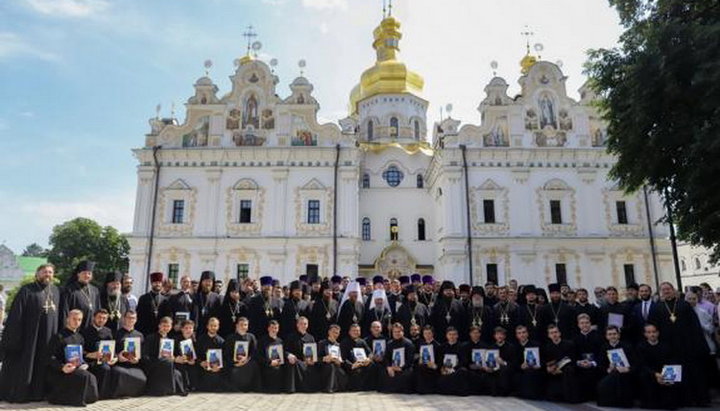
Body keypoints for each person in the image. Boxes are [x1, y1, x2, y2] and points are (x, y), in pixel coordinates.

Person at [0, 263, 60, 403]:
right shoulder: (27, 290)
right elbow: (16, 315)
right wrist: (15, 338)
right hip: (30, 338)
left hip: (48, 337)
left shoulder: (56, 291)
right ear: (37, 274)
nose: (47, 274)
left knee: (43, 364)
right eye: (44, 272)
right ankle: (24, 393)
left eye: (50, 272)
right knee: (28, 365)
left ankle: (40, 393)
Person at [648, 281, 710, 407]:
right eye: (663, 289)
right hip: (668, 346)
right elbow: (652, 326)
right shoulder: (656, 307)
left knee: (692, 372)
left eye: (668, 289)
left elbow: (695, 326)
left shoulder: (684, 305)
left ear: (673, 290)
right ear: (661, 292)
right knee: (674, 372)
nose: (666, 291)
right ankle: (680, 400)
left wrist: (698, 343)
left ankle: (698, 399)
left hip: (687, 345)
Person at [46, 309, 99, 406]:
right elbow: (50, 357)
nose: (77, 322)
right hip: (61, 372)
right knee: (84, 376)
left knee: (92, 378)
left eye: (79, 320)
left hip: (76, 369)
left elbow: (82, 355)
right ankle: (65, 399)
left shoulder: (80, 337)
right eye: (74, 319)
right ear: (67, 319)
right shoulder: (58, 337)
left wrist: (84, 364)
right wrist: (62, 367)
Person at [636, 323, 682, 410]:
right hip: (650, 374)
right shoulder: (641, 346)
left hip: (664, 374)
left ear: (658, 333)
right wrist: (655, 374)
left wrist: (665, 374)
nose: (652, 334)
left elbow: (671, 361)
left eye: (654, 332)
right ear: (645, 334)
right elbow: (642, 365)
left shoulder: (666, 345)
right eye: (649, 332)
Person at [142, 316, 187, 396]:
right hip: (153, 364)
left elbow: (173, 356)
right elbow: (145, 356)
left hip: (166, 364)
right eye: (164, 326)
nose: (166, 328)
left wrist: (175, 358)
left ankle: (173, 390)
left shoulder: (170, 340)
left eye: (168, 326)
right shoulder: (150, 337)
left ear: (171, 327)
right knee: (167, 363)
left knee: (177, 371)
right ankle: (169, 390)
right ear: (159, 326)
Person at [596, 325, 635, 408]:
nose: (612, 336)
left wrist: (627, 369)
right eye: (610, 334)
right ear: (606, 336)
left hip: (625, 374)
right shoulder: (604, 347)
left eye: (614, 334)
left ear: (619, 335)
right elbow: (600, 365)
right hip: (610, 375)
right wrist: (608, 369)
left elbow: (636, 364)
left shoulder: (627, 346)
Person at [542, 324, 580, 403]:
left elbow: (573, 360)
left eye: (556, 332)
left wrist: (561, 370)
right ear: (549, 335)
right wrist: (549, 369)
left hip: (567, 373)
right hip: (554, 374)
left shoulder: (569, 344)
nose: (554, 334)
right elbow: (546, 363)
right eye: (551, 333)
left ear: (560, 333)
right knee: (552, 395)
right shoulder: (546, 348)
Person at [59, 260, 102, 329]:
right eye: (84, 273)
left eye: (89, 273)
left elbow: (98, 310)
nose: (87, 275)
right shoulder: (69, 290)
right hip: (75, 329)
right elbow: (64, 311)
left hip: (91, 329)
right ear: (78, 274)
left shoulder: (95, 290)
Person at [223, 316, 260, 392]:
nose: (243, 327)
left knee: (254, 364)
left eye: (245, 325)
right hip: (234, 363)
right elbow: (226, 353)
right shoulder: (230, 338)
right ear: (237, 326)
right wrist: (234, 362)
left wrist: (246, 359)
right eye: (241, 325)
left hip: (247, 363)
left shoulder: (251, 337)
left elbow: (255, 352)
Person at [284, 316, 319, 392]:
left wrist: (313, 360)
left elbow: (314, 353)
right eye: (301, 324)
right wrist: (289, 355)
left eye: (305, 324)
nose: (303, 326)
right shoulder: (291, 336)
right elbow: (285, 351)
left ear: (308, 325)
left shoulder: (311, 338)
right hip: (296, 361)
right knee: (293, 363)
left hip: (307, 362)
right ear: (297, 325)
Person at [572, 313, 602, 402]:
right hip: (580, 366)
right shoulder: (575, 338)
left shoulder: (598, 337)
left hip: (595, 365)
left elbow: (601, 354)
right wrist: (579, 362)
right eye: (582, 323)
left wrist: (592, 363)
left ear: (590, 323)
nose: (584, 325)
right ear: (578, 325)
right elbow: (573, 355)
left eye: (587, 322)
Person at [380, 323, 416, 393]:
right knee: (383, 372)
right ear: (392, 333)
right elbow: (386, 357)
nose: (397, 333)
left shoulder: (409, 344)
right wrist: (389, 367)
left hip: (405, 367)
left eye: (399, 331)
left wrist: (401, 368)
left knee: (406, 375)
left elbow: (410, 360)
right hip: (393, 367)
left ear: (403, 332)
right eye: (395, 332)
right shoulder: (389, 344)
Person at [257, 320, 290, 393]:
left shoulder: (280, 341)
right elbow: (259, 356)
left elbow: (283, 353)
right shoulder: (262, 341)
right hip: (267, 365)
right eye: (272, 328)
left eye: (276, 328)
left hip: (278, 365)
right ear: (268, 328)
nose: (274, 330)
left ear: (278, 329)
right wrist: (270, 362)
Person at [512, 325, 544, 400]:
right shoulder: (514, 347)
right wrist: (520, 366)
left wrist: (540, 365)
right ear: (517, 335)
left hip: (535, 370)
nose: (522, 335)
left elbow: (543, 359)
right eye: (519, 333)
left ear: (527, 334)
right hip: (520, 371)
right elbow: (514, 362)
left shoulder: (536, 345)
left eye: (523, 332)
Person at [195, 317, 227, 392]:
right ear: (207, 326)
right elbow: (195, 355)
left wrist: (219, 366)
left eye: (215, 326)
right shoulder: (200, 340)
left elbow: (225, 357)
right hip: (203, 368)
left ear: (218, 327)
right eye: (211, 325)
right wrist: (200, 362)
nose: (213, 327)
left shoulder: (222, 341)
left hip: (217, 370)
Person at [339, 323, 374, 391]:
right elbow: (343, 358)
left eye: (358, 331)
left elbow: (370, 352)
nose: (356, 332)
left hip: (363, 363)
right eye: (354, 331)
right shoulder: (344, 342)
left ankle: (369, 387)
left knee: (372, 365)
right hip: (351, 365)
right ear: (349, 332)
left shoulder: (362, 341)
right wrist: (352, 365)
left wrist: (368, 359)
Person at [436, 327, 468, 396]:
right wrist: (442, 368)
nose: (452, 336)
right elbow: (439, 360)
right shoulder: (442, 347)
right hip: (445, 371)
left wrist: (454, 369)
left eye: (454, 334)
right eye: (450, 334)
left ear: (457, 336)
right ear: (446, 336)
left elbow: (463, 361)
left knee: (463, 371)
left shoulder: (462, 347)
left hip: (456, 370)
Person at [486, 326, 516, 397]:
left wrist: (504, 363)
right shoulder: (491, 347)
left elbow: (514, 363)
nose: (499, 336)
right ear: (494, 336)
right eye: (497, 334)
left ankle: (503, 391)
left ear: (504, 336)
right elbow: (488, 361)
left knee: (504, 370)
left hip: (506, 370)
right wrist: (488, 367)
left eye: (501, 334)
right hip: (494, 370)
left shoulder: (511, 347)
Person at [316, 324, 347, 393]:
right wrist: (324, 358)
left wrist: (339, 361)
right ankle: (328, 388)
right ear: (329, 332)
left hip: (336, 366)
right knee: (331, 367)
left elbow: (341, 359)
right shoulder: (322, 343)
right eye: (333, 332)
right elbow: (316, 359)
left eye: (337, 333)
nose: (335, 334)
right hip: (324, 367)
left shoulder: (338, 345)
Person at [191, 271, 222, 335]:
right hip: (198, 331)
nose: (207, 283)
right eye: (205, 281)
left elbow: (219, 316)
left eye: (210, 281)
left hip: (212, 331)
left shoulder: (217, 298)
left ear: (212, 283)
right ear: (201, 282)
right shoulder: (195, 296)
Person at [173, 319, 199, 392]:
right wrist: (177, 358)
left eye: (190, 328)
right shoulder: (175, 339)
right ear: (182, 329)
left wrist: (194, 361)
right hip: (179, 363)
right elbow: (172, 353)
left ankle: (193, 386)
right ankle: (183, 387)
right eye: (186, 328)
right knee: (181, 367)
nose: (188, 330)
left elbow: (198, 355)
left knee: (194, 367)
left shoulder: (195, 341)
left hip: (191, 363)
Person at [414, 325, 440, 394]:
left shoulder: (437, 346)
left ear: (433, 334)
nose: (427, 335)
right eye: (425, 333)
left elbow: (440, 360)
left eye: (429, 333)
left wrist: (435, 365)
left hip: (433, 368)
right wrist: (419, 359)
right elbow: (417, 355)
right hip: (422, 366)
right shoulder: (420, 344)